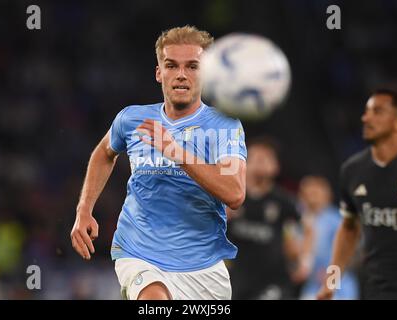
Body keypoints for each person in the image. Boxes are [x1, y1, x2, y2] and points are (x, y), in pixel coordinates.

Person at [70, 25, 247, 300]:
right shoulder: (132, 119)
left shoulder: (224, 126)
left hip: (203, 267)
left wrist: (178, 153)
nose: (181, 75)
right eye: (171, 65)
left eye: (192, 66)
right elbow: (105, 153)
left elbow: (234, 193)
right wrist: (84, 208)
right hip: (139, 252)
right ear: (158, 73)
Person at [317, 88, 397, 300]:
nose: (366, 118)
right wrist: (331, 282)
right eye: (366, 111)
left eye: (377, 111)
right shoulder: (353, 170)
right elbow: (349, 228)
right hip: (376, 288)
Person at [227, 137, 303, 300]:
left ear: (276, 166)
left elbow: (302, 232)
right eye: (255, 158)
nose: (260, 162)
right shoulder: (229, 197)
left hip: (272, 281)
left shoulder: (285, 203)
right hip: (236, 278)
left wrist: (302, 259)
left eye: (266, 158)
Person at [297, 175, 359, 300]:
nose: (312, 197)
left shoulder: (337, 219)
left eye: (316, 193)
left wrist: (332, 277)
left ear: (327, 195)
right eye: (308, 193)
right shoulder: (298, 219)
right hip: (311, 284)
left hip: (340, 284)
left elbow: (351, 253)